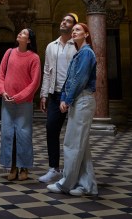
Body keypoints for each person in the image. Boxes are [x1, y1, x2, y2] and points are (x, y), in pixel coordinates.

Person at [47, 22, 98, 197]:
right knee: (81, 146)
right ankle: (87, 186)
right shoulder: (80, 53)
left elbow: (80, 79)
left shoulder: (86, 53)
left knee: (72, 144)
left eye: (78, 30)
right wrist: (64, 98)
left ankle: (65, 184)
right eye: (73, 30)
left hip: (82, 99)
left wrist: (67, 100)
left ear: (86, 34)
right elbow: (71, 79)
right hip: (79, 100)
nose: (74, 32)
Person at [0, 28, 41, 181]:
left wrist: (19, 96)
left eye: (23, 34)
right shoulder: (9, 53)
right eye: (20, 33)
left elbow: (34, 83)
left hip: (24, 103)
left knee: (24, 135)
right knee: (8, 134)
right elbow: (1, 74)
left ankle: (24, 168)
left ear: (29, 40)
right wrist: (2, 92)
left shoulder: (34, 58)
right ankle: (13, 166)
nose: (20, 34)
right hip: (7, 102)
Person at [38, 13, 78, 184]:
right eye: (63, 19)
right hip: (55, 94)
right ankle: (54, 168)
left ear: (73, 27)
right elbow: (47, 70)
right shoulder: (51, 46)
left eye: (68, 21)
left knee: (73, 134)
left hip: (72, 95)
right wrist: (44, 93)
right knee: (51, 130)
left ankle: (73, 171)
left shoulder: (77, 46)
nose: (64, 22)